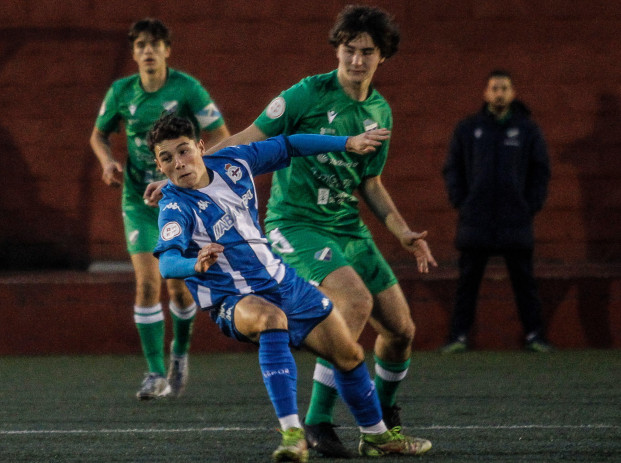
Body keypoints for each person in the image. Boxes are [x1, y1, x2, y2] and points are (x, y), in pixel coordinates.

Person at [146, 5, 436, 457]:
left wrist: (399, 229)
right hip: (294, 227)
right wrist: (178, 192)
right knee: (339, 305)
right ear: (337, 49)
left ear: (382, 57)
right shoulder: (306, 94)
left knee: (393, 333)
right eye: (348, 49)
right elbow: (249, 133)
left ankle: (380, 430)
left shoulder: (379, 112)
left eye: (367, 52)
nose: (356, 59)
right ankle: (304, 429)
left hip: (338, 232)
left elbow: (304, 152)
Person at [89, 18, 230, 400]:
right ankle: (154, 374)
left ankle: (179, 354)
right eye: (140, 46)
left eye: (155, 44)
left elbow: (221, 135)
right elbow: (99, 134)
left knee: (179, 289)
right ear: (134, 53)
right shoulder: (121, 92)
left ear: (167, 49)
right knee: (148, 282)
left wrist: (193, 169)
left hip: (178, 200)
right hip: (138, 199)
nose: (147, 51)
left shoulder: (187, 88)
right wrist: (106, 162)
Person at [441, 70, 552, 354]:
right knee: (467, 283)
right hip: (475, 221)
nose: (499, 93)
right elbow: (452, 167)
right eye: (494, 88)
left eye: (504, 88)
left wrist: (530, 205)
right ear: (486, 93)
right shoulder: (468, 129)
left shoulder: (527, 130)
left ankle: (535, 336)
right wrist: (462, 202)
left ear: (513, 93)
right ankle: (458, 338)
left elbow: (541, 170)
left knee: (524, 282)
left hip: (515, 221)